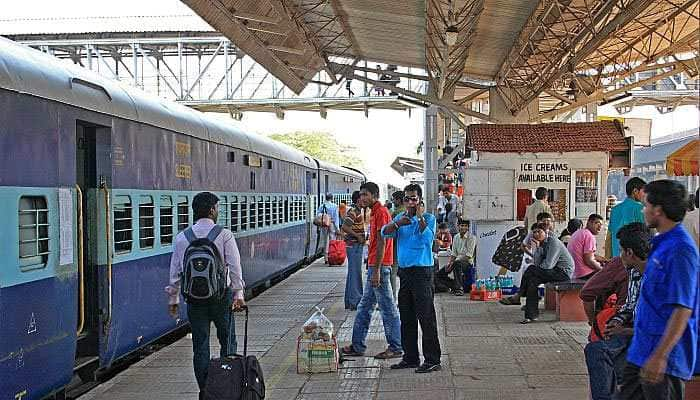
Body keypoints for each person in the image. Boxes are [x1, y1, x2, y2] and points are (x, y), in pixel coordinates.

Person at [619, 180, 699, 400]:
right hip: (641, 350)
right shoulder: (660, 244)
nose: (643, 210)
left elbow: (683, 308)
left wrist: (661, 355)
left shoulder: (681, 250)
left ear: (658, 210)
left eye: (646, 205)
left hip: (665, 358)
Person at [165, 192, 246, 399]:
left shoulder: (182, 237)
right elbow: (234, 266)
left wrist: (173, 298)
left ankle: (205, 390)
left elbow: (176, 271)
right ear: (212, 210)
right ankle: (227, 387)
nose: (218, 211)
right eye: (217, 208)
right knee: (227, 342)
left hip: (195, 301)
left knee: (200, 345)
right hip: (221, 298)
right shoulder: (224, 234)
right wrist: (239, 294)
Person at [582, 222, 649, 400]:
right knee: (596, 350)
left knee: (618, 368)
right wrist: (617, 321)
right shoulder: (634, 272)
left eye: (621, 251)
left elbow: (660, 327)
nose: (619, 256)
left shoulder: (658, 276)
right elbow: (630, 306)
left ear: (629, 253)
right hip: (632, 331)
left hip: (649, 337)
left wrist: (625, 330)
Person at [381, 184, 442, 373]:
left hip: (422, 273)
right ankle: (410, 357)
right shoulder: (401, 218)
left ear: (420, 200)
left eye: (413, 198)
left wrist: (420, 217)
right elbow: (385, 232)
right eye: (407, 199)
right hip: (405, 273)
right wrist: (399, 223)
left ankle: (432, 359)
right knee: (407, 317)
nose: (409, 202)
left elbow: (427, 240)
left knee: (426, 317)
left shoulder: (429, 219)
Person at [341, 182, 402, 359]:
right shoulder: (374, 212)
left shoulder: (381, 212)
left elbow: (383, 242)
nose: (362, 198)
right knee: (364, 307)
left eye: (365, 194)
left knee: (387, 308)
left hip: (380, 267)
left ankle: (396, 346)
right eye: (361, 195)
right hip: (376, 265)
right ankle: (357, 345)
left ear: (374, 195)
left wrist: (375, 270)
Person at [502, 222, 574, 323]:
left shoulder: (553, 242)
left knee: (531, 269)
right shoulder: (541, 244)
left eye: (539, 231)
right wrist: (538, 247)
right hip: (551, 272)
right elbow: (537, 263)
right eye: (534, 232)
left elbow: (548, 265)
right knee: (532, 281)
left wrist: (537, 267)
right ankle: (531, 316)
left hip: (563, 273)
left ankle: (518, 295)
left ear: (546, 232)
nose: (536, 234)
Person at [606, 177, 646, 258]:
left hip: (617, 258)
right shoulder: (640, 208)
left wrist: (608, 259)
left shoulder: (614, 209)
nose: (644, 195)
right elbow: (645, 235)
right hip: (633, 259)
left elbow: (609, 237)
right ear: (635, 191)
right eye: (643, 192)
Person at [341, 191, 365, 310]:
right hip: (354, 245)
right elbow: (345, 227)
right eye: (362, 198)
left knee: (353, 273)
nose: (364, 200)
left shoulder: (357, 211)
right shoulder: (353, 212)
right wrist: (358, 236)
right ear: (358, 200)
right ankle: (356, 300)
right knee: (355, 273)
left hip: (355, 245)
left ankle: (350, 301)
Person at [568, 214, 606, 279]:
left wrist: (603, 259)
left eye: (601, 225)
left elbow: (587, 254)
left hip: (574, 273)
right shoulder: (589, 236)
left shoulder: (579, 233)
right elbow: (589, 261)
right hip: (584, 274)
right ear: (589, 222)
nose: (599, 227)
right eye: (597, 223)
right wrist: (603, 270)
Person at [448, 219, 476, 296]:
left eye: (465, 226)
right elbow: (453, 254)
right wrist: (450, 263)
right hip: (456, 261)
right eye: (462, 225)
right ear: (458, 226)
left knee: (457, 263)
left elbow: (468, 256)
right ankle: (450, 287)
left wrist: (455, 261)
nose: (463, 228)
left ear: (468, 227)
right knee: (443, 271)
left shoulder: (472, 238)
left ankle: (459, 289)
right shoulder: (456, 237)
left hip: (467, 263)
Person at [389, 191, 406, 301]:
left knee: (392, 272)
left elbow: (389, 230)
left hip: (395, 244)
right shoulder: (406, 211)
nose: (393, 201)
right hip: (404, 246)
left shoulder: (396, 213)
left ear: (399, 200)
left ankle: (392, 298)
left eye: (394, 199)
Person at [316, 193, 340, 264]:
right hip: (332, 223)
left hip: (324, 224)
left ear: (325, 198)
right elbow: (336, 218)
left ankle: (326, 258)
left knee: (325, 240)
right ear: (331, 198)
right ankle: (332, 255)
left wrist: (319, 226)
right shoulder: (335, 206)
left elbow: (318, 216)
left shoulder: (322, 206)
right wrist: (337, 228)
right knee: (332, 240)